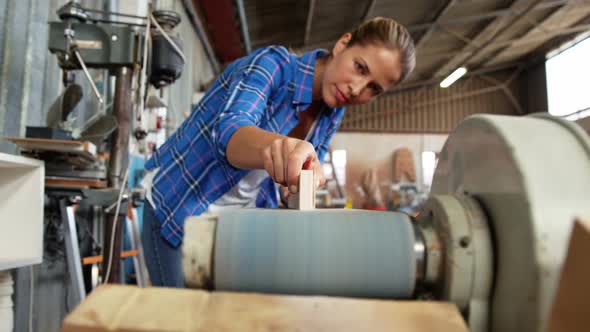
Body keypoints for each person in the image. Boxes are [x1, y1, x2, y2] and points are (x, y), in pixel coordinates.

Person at [140, 16, 416, 287]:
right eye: (360, 67)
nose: (357, 88)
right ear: (342, 45)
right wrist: (283, 147)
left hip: (232, 228)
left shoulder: (332, 114)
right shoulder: (273, 65)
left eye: (373, 88)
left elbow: (290, 188)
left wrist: (298, 188)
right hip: (179, 208)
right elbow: (229, 132)